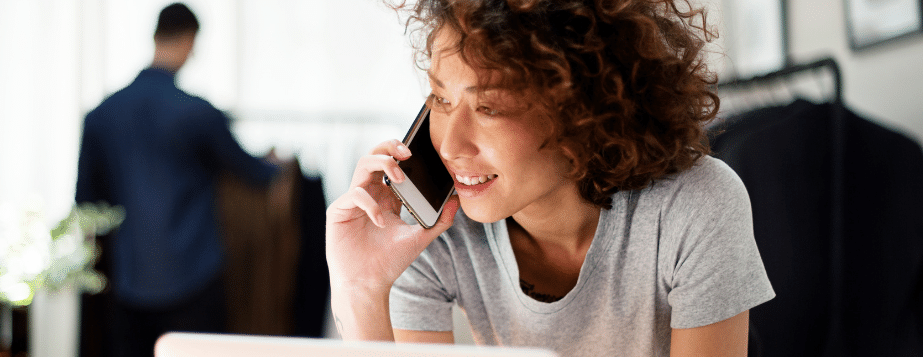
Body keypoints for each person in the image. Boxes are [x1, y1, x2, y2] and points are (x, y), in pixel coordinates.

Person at [325, 0, 775, 356]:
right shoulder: (433, 230)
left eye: (489, 108)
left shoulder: (695, 206)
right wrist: (361, 288)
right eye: (440, 99)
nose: (450, 146)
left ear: (583, 113)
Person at [74, 3, 276, 356]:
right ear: (190, 41)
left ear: (154, 37)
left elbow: (86, 201)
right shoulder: (200, 114)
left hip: (129, 280)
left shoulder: (101, 116)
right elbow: (254, 174)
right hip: (194, 277)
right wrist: (277, 165)